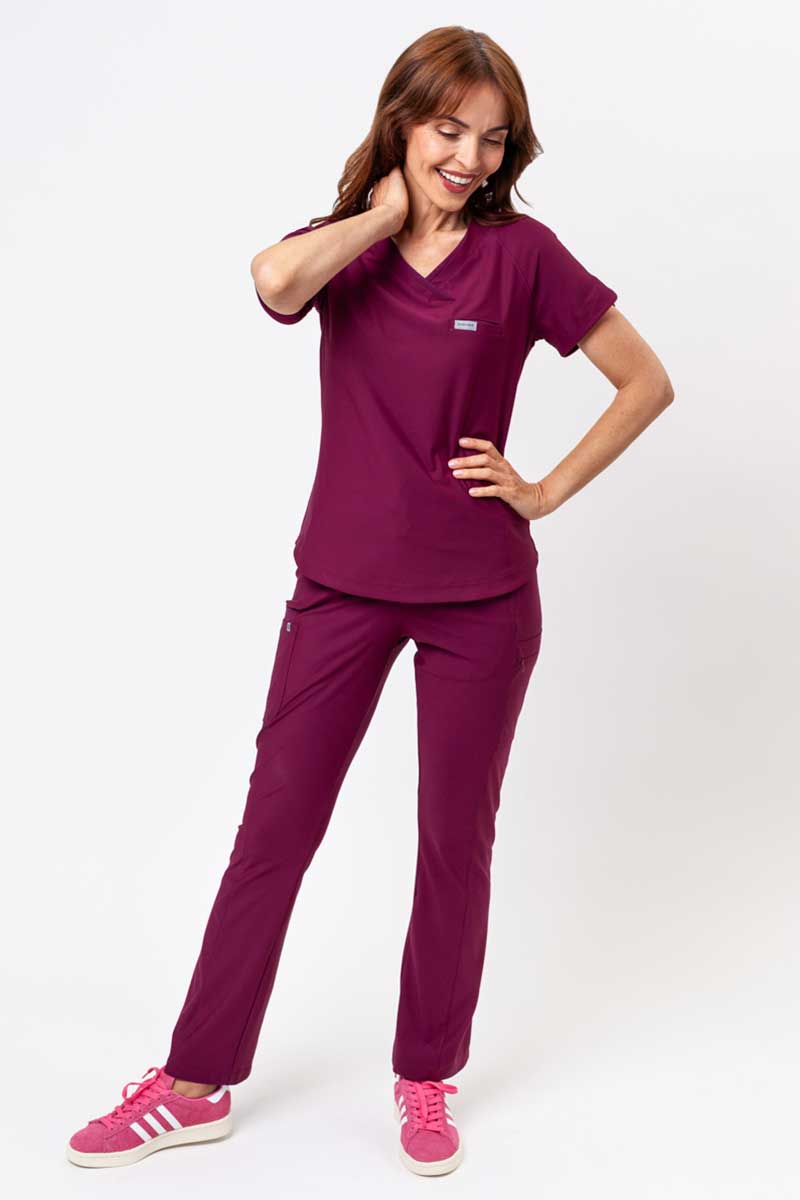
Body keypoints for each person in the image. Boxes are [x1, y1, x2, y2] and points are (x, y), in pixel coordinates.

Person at [66, 25, 674, 1177]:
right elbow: (270, 280)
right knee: (273, 832)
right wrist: (382, 212)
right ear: (401, 122)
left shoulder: (523, 256)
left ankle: (425, 1078)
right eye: (447, 130)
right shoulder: (338, 248)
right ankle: (193, 1084)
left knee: (453, 842)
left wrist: (541, 490)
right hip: (340, 587)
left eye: (491, 140)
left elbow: (644, 380)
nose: (468, 158)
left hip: (480, 598)